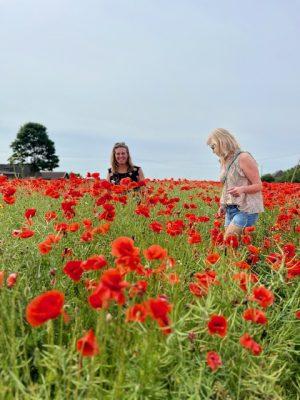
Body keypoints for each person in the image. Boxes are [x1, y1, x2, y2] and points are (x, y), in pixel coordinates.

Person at [207, 128, 264, 240]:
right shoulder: (224, 161)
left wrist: (242, 189)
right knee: (233, 249)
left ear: (221, 141)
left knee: (228, 243)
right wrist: (223, 205)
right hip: (230, 209)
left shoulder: (244, 157)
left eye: (213, 146)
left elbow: (259, 185)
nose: (212, 151)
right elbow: (226, 186)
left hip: (245, 209)